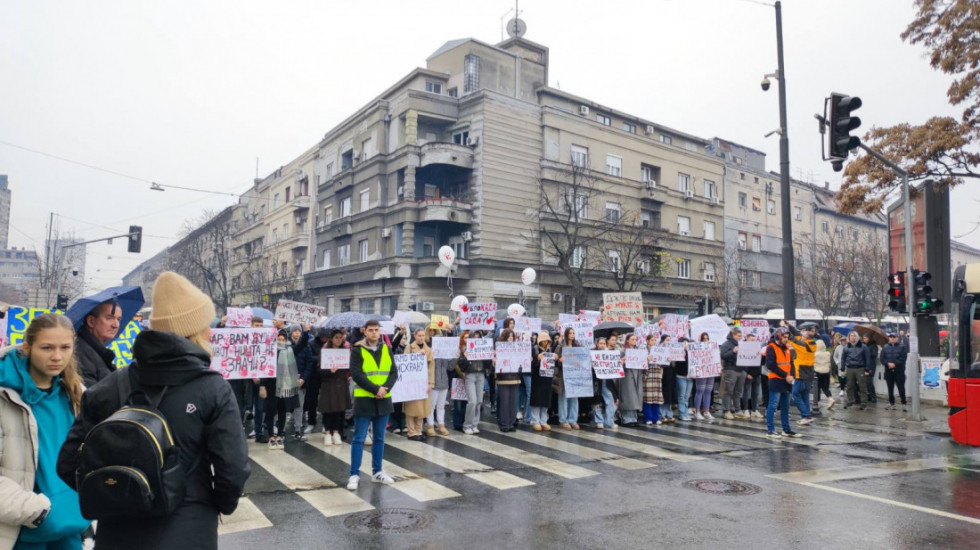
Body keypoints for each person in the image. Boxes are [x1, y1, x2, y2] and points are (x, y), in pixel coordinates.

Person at [57, 271, 250, 550]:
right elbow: (232, 469)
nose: (211, 330)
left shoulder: (113, 383)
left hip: (118, 532)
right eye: (206, 323)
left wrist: (113, 492)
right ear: (194, 329)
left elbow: (67, 462)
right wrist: (214, 504)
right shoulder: (212, 388)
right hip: (189, 527)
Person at [0, 314, 89, 550]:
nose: (57, 356)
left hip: (70, 531)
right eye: (47, 347)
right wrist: (37, 511)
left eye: (65, 347)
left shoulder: (78, 394)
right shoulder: (4, 395)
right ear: (27, 348)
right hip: (18, 534)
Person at [346, 319, 399, 491]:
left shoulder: (387, 349)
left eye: (377, 330)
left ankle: (377, 472)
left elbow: (393, 372)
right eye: (371, 330)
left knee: (379, 438)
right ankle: (354, 474)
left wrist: (385, 389)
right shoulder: (357, 350)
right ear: (365, 331)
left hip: (383, 399)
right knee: (359, 438)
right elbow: (356, 374)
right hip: (365, 399)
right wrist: (376, 389)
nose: (374, 332)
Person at [262, 327, 310, 449]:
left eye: (283, 339)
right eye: (279, 339)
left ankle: (279, 435)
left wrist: (305, 331)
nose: (281, 341)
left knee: (282, 410)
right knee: (271, 411)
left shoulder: (290, 350)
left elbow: (302, 344)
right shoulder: (269, 352)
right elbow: (263, 368)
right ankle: (271, 436)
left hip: (285, 386)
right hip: (271, 385)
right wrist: (262, 385)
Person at [73, 300, 123, 387]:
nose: (116, 325)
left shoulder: (96, 351)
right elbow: (91, 395)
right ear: (91, 321)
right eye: (109, 318)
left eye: (118, 319)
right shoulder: (80, 352)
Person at [765, 327, 800, 438]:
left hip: (787, 379)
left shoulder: (787, 347)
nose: (786, 339)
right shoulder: (771, 347)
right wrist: (786, 375)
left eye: (787, 337)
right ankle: (770, 430)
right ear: (779, 336)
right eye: (784, 337)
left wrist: (792, 376)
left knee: (785, 406)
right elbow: (771, 365)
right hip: (776, 379)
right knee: (773, 404)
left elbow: (791, 363)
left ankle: (786, 429)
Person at [318, 329, 352, 446]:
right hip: (328, 383)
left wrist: (349, 375)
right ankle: (327, 432)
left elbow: (349, 367)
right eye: (336, 337)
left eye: (340, 337)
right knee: (328, 409)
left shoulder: (345, 351)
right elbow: (319, 370)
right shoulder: (325, 351)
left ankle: (336, 432)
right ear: (331, 338)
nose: (339, 340)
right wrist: (329, 371)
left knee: (339, 409)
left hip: (341, 383)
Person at [403, 327, 435, 441]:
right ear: (415, 336)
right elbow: (405, 363)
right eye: (419, 335)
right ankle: (411, 432)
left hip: (424, 382)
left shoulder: (429, 350)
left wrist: (431, 383)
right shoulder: (409, 348)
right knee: (412, 409)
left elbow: (431, 367)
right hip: (412, 383)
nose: (421, 337)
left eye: (422, 335)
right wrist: (417, 355)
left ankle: (419, 430)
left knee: (422, 409)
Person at [457, 331, 488, 435]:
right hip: (470, 375)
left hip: (480, 375)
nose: (476, 339)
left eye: (478, 338)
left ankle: (475, 424)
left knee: (479, 401)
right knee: (472, 401)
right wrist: (464, 357)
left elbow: (487, 364)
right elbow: (461, 365)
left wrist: (490, 355)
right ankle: (467, 425)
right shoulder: (465, 349)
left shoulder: (483, 347)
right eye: (474, 338)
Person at [787, 322, 817, 425]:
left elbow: (792, 338)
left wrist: (785, 329)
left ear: (807, 333)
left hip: (801, 373)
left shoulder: (803, 345)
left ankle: (806, 415)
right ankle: (806, 416)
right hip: (809, 374)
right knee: (805, 396)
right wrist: (789, 325)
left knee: (795, 394)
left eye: (804, 331)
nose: (801, 332)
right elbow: (797, 333)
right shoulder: (811, 343)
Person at [554, 327, 581, 430]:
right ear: (566, 334)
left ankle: (573, 419)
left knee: (574, 398)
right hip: (564, 375)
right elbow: (555, 360)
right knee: (564, 397)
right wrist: (560, 361)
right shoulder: (561, 346)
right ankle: (563, 420)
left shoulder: (578, 346)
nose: (572, 335)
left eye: (573, 333)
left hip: (575, 375)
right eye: (570, 333)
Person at [427, 329, 452, 438]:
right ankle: (430, 426)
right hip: (434, 382)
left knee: (441, 406)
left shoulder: (445, 355)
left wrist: (455, 356)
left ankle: (441, 425)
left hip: (444, 382)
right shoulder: (431, 352)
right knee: (431, 406)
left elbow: (450, 367)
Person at [529, 331, 554, 432]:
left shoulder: (550, 350)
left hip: (547, 378)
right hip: (537, 378)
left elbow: (552, 363)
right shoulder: (534, 349)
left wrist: (555, 358)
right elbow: (530, 363)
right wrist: (536, 359)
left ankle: (544, 421)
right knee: (537, 399)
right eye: (543, 340)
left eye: (547, 340)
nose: (545, 342)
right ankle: (535, 420)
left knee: (545, 400)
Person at [617, 334, 643, 427]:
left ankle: (634, 417)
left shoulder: (639, 351)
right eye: (632, 339)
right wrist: (622, 361)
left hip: (637, 375)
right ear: (627, 340)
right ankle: (626, 418)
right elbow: (618, 364)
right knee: (628, 397)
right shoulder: (623, 351)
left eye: (635, 339)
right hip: (627, 376)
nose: (634, 341)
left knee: (635, 397)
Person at [719, 327, 744, 420]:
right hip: (730, 369)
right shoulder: (726, 344)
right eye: (738, 336)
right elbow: (723, 356)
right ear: (733, 335)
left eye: (741, 336)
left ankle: (738, 410)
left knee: (738, 391)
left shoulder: (740, 343)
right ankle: (727, 410)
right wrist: (733, 352)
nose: (740, 338)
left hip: (740, 369)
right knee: (728, 391)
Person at [841, 331, 871, 410]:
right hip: (850, 368)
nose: (852, 337)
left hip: (860, 368)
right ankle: (850, 400)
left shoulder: (863, 347)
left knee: (862, 386)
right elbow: (843, 359)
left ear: (857, 337)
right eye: (851, 336)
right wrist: (842, 369)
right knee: (849, 386)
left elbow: (867, 359)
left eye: (854, 336)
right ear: (849, 337)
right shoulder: (846, 347)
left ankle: (863, 401)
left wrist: (867, 369)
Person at [880, 332, 908, 411]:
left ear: (897, 338)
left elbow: (903, 358)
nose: (892, 338)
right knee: (890, 387)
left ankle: (904, 403)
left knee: (901, 387)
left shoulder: (902, 347)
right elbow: (882, 358)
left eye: (894, 337)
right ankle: (891, 402)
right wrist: (887, 363)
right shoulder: (885, 347)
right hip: (888, 370)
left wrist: (895, 364)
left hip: (899, 370)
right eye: (890, 337)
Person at [740, 333, 764, 419]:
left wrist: (762, 356)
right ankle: (746, 409)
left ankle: (754, 410)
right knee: (746, 392)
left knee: (755, 393)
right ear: (746, 338)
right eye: (751, 340)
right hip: (749, 374)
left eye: (754, 340)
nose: (753, 342)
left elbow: (761, 362)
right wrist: (746, 372)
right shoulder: (743, 348)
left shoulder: (758, 348)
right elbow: (742, 361)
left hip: (757, 373)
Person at [693, 332, 715, 421]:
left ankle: (707, 411)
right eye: (704, 338)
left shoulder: (712, 347)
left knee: (708, 391)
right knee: (700, 391)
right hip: (701, 371)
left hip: (710, 370)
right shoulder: (697, 347)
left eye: (707, 338)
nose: (706, 340)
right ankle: (697, 411)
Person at [642, 334, 664, 426]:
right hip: (649, 375)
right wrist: (646, 359)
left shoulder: (659, 350)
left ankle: (656, 418)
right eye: (652, 340)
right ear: (647, 340)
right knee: (648, 398)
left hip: (657, 376)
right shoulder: (644, 350)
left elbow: (663, 364)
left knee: (656, 398)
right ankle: (648, 418)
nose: (653, 342)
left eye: (655, 340)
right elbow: (640, 362)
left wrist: (667, 360)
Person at [812, 334, 835, 411]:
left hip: (817, 373)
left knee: (817, 388)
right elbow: (830, 363)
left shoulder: (815, 354)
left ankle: (817, 402)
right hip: (826, 372)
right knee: (825, 388)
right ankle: (831, 399)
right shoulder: (828, 354)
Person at [674, 338, 693, 421]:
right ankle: (682, 413)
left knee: (687, 396)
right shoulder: (678, 353)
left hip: (690, 377)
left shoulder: (691, 353)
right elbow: (677, 365)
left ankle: (686, 413)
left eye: (687, 343)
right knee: (681, 396)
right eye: (684, 343)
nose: (686, 344)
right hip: (681, 376)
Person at [659, 335, 676, 423]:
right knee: (664, 394)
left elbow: (675, 363)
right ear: (662, 341)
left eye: (670, 340)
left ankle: (669, 413)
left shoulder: (672, 349)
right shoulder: (659, 349)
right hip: (663, 373)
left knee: (670, 394)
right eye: (667, 340)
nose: (668, 342)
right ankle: (662, 413)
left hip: (670, 373)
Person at [862, 334, 880, 404]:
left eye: (866, 338)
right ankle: (868, 396)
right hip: (864, 365)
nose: (864, 339)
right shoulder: (863, 345)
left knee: (869, 382)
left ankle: (873, 396)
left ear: (869, 338)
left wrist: (867, 352)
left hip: (871, 366)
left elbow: (874, 355)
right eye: (863, 338)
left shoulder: (873, 346)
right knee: (865, 382)